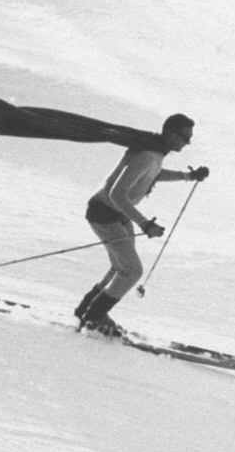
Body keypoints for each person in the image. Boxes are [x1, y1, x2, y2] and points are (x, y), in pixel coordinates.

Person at [74, 113, 209, 335]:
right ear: (171, 134)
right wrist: (145, 224)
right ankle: (94, 316)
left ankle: (85, 311)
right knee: (132, 271)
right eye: (185, 137)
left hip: (114, 214)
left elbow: (153, 174)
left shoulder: (155, 153)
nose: (188, 142)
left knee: (122, 267)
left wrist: (188, 176)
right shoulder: (148, 154)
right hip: (105, 214)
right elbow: (116, 193)